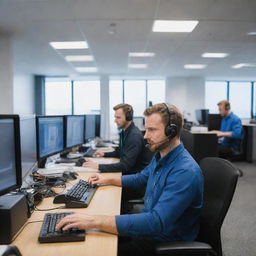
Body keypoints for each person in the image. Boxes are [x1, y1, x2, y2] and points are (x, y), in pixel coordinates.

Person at [56, 103, 204, 256]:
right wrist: (108, 180)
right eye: (146, 129)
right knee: (89, 236)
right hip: (148, 229)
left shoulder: (184, 171)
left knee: (95, 249)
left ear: (171, 132)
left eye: (152, 130)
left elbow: (156, 222)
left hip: (164, 241)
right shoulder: (161, 155)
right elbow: (141, 177)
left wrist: (95, 220)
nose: (146, 136)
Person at [83, 103, 153, 174]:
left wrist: (98, 166)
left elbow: (125, 165)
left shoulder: (134, 136)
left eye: (118, 117)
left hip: (134, 177)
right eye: (115, 117)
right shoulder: (125, 132)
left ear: (128, 117)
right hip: (129, 174)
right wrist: (104, 154)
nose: (115, 120)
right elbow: (120, 152)